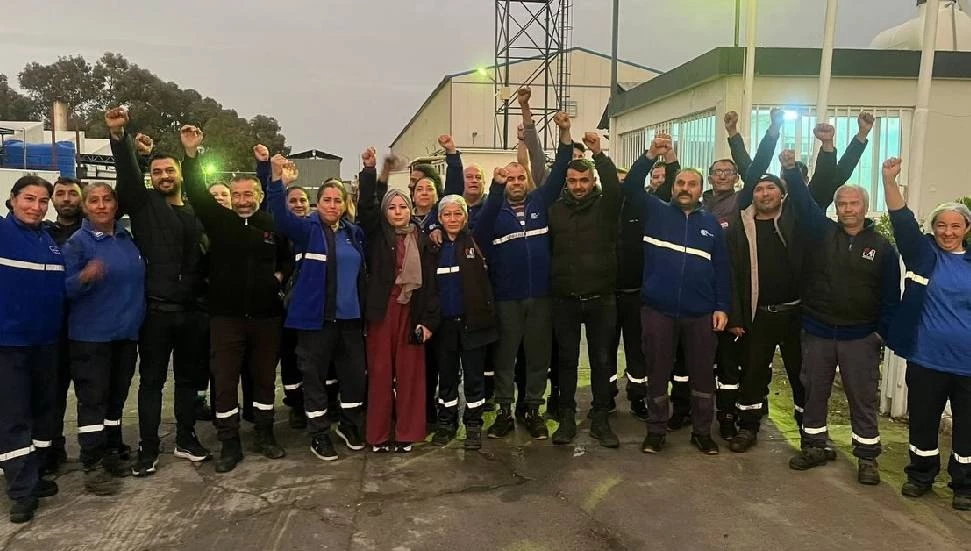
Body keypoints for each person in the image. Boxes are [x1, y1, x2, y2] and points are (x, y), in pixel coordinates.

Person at [728, 116, 874, 453]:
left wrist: (830, 145)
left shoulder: (799, 218)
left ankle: (811, 434)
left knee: (802, 376)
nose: (764, 193)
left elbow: (825, 182)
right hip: (757, 314)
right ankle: (747, 426)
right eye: (758, 189)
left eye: (771, 188)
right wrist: (755, 135)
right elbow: (732, 274)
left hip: (798, 314)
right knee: (752, 374)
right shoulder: (740, 226)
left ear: (783, 195)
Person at [781, 148, 900, 485]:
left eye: (854, 204)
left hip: (860, 337)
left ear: (865, 207)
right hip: (818, 332)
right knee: (814, 392)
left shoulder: (882, 248)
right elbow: (804, 204)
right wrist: (790, 171)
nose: (848, 209)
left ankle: (867, 458)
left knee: (862, 399)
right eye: (842, 204)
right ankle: (814, 446)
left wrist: (880, 334)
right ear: (836, 208)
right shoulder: (821, 233)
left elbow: (891, 297)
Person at [106, 107, 211, 476]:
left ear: (179, 174)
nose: (164, 176)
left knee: (188, 380)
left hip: (192, 312)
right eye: (157, 172)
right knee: (151, 382)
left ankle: (185, 437)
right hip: (156, 312)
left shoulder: (197, 209)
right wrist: (119, 137)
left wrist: (191, 152)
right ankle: (148, 447)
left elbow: (198, 185)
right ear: (151, 178)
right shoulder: (144, 205)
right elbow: (127, 175)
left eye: (170, 170)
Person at [180, 126, 288, 473]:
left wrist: (279, 277)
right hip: (225, 318)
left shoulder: (271, 223)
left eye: (248, 194)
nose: (242, 200)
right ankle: (229, 442)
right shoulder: (218, 221)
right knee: (224, 382)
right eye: (237, 194)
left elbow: (287, 256)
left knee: (264, 380)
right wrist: (191, 153)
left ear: (258, 195)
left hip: (266, 318)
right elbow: (195, 190)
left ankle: (265, 434)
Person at [623, 136, 732, 455]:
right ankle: (656, 431)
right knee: (657, 374)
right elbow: (630, 186)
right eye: (680, 183)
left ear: (701, 190)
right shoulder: (655, 211)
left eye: (692, 184)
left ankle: (702, 432)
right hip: (658, 311)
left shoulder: (711, 225)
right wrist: (649, 155)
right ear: (672, 187)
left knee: (702, 376)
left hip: (700, 314)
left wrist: (722, 306)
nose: (685, 188)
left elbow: (722, 269)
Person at [475, 111, 573, 440]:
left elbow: (561, 168)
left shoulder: (540, 202)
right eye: (511, 179)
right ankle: (504, 411)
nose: (516, 183)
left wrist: (565, 133)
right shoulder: (494, 211)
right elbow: (480, 233)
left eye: (520, 178)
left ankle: (532, 409)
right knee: (505, 357)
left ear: (527, 180)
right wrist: (495, 187)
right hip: (506, 299)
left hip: (540, 297)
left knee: (537, 356)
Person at [881, 157, 971, 511]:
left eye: (956, 226)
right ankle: (921, 475)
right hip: (927, 359)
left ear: (966, 229)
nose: (948, 232)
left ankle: (964, 484)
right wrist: (889, 181)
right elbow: (902, 221)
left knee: (967, 428)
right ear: (933, 228)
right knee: (923, 422)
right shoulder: (923, 254)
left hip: (967, 366)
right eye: (941, 225)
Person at [267, 152, 368, 461]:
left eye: (338, 200)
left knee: (353, 378)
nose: (332, 205)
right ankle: (319, 434)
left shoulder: (353, 233)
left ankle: (348, 425)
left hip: (350, 321)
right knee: (314, 380)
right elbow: (279, 216)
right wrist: (278, 181)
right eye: (327, 200)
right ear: (318, 203)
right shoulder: (306, 229)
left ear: (345, 205)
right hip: (315, 322)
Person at [62, 182, 145, 495]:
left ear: (115, 205)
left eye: (106, 200)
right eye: (93, 201)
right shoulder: (77, 243)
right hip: (91, 338)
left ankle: (111, 450)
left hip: (125, 336)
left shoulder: (127, 239)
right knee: (93, 401)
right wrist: (83, 277)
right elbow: (62, 288)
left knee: (116, 398)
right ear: (85, 207)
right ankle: (92, 464)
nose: (100, 206)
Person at [358, 153, 441, 453]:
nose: (397, 212)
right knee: (380, 374)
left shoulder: (422, 237)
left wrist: (428, 322)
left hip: (412, 312)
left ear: (410, 209)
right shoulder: (376, 235)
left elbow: (430, 285)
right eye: (392, 208)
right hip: (382, 312)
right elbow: (367, 207)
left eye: (402, 206)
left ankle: (407, 432)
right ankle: (379, 435)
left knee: (410, 375)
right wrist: (373, 171)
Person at [548, 130, 625, 446]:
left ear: (593, 181)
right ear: (566, 182)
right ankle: (566, 418)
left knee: (602, 361)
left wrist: (599, 154)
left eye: (584, 181)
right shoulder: (555, 211)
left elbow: (617, 189)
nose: (578, 186)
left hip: (601, 299)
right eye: (573, 181)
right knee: (566, 362)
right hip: (564, 300)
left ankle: (601, 418)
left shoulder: (607, 207)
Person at [0, 175, 63, 523]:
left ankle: (34, 475)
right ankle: (21, 491)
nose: (36, 207)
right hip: (9, 345)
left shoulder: (49, 241)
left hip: (46, 343)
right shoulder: (2, 232)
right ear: (12, 199)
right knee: (14, 417)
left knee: (43, 413)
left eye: (42, 201)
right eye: (29, 199)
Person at [610, 135, 679, 422]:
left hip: (638, 294)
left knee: (638, 351)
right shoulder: (603, 210)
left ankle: (638, 396)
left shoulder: (647, 207)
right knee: (605, 350)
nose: (622, 186)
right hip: (607, 295)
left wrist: (664, 155)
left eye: (626, 181)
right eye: (616, 182)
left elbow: (669, 185)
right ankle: (606, 396)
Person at [429, 194, 498, 449]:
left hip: (473, 324)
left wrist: (497, 185)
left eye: (458, 213)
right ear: (439, 218)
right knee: (446, 378)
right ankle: (446, 422)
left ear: (466, 217)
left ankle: (473, 424)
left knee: (474, 378)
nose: (452, 219)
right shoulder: (432, 247)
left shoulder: (476, 240)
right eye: (446, 214)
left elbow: (491, 209)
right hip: (444, 326)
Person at [255, 145, 308, 430]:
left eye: (302, 200)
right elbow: (267, 206)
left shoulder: (315, 229)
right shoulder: (278, 228)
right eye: (293, 200)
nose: (298, 204)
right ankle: (295, 404)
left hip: (311, 305)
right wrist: (268, 171)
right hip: (283, 305)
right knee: (289, 357)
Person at [42, 176, 84, 474]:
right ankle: (51, 449)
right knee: (52, 394)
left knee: (93, 393)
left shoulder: (94, 231)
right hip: (53, 330)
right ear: (52, 200)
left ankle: (99, 448)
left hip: (88, 327)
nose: (67, 199)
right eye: (61, 194)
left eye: (73, 193)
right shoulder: (42, 234)